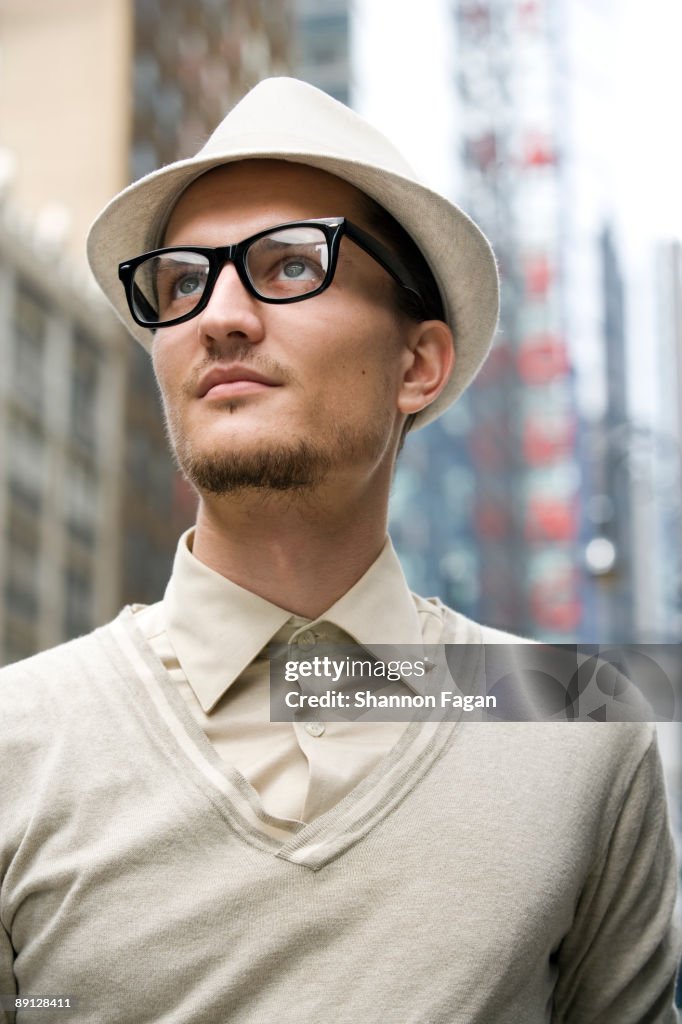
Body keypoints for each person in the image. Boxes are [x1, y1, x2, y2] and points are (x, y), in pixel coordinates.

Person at [0, 77, 678, 1024]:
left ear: (418, 365)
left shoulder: (582, 718)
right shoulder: (16, 739)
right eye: (184, 281)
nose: (218, 316)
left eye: (286, 266)